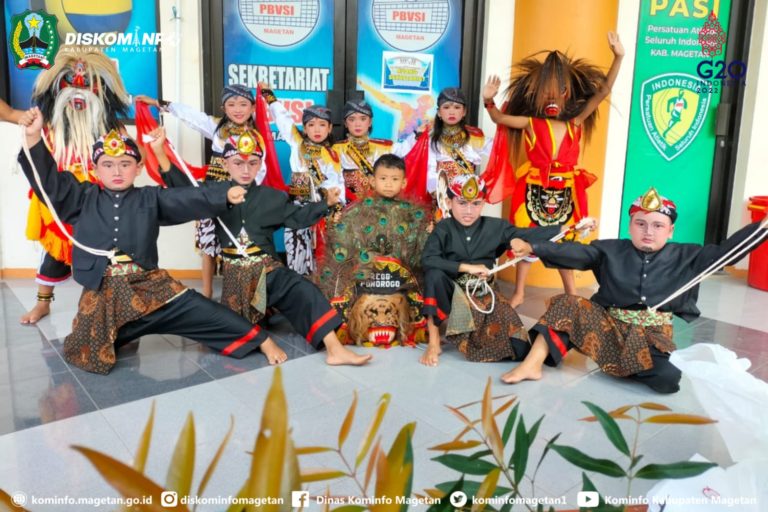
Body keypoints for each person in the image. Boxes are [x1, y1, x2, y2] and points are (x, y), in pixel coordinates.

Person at [16, 107, 286, 374]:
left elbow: (186, 197)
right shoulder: (82, 198)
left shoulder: (150, 197)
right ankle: (123, 333)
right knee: (86, 349)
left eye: (125, 164)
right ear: (96, 169)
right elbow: (48, 181)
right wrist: (33, 136)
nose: (117, 171)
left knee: (205, 310)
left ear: (138, 168)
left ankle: (262, 340)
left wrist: (223, 195)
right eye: (108, 165)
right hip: (101, 291)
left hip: (149, 288)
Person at [500, 187, 768, 393]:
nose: (648, 231)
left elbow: (728, 252)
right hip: (607, 327)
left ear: (670, 231)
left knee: (668, 381)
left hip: (652, 336)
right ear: (630, 226)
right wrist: (534, 247)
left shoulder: (689, 256)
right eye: (641, 223)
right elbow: (575, 252)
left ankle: (622, 363)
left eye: (658, 225)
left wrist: (763, 226)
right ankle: (531, 365)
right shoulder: (610, 250)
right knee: (568, 303)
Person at [157, 127, 372, 366]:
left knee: (302, 288)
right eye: (238, 163)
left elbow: (297, 217)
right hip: (235, 275)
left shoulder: (272, 197)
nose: (245, 170)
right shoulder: (214, 194)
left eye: (252, 163)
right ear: (226, 164)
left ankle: (335, 349)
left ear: (260, 164)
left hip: (268, 269)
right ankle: (262, 339)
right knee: (231, 324)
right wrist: (159, 152)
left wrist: (326, 203)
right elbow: (184, 191)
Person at [482, 31, 624, 307]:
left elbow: (604, 91)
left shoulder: (576, 122)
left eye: (557, 93)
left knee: (564, 241)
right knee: (525, 238)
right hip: (533, 190)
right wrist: (489, 100)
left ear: (566, 95)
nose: (551, 99)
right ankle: (519, 292)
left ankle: (571, 293)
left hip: (567, 192)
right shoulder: (530, 123)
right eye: (545, 94)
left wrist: (618, 57)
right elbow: (498, 117)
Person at [22, 50, 131, 324]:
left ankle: (104, 305)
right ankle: (42, 303)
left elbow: (128, 160)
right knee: (53, 253)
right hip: (61, 198)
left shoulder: (113, 130)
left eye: (86, 87)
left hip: (98, 199)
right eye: (70, 86)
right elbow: (35, 160)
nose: (78, 93)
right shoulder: (48, 127)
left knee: (106, 254)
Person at [419, 174, 566, 367]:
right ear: (449, 202)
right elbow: (428, 259)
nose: (469, 211)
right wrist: (467, 267)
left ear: (483, 204)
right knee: (433, 275)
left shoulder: (496, 227)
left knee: (518, 348)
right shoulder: (443, 229)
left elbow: (525, 233)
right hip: (453, 293)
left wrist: (564, 228)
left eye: (476, 204)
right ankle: (434, 342)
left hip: (484, 294)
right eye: (462, 203)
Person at [136, 85, 264, 299]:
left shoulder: (257, 138)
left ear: (252, 108)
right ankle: (206, 292)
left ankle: (241, 291)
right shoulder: (217, 128)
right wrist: (159, 103)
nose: (237, 109)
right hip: (212, 192)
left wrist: (248, 193)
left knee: (238, 240)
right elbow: (191, 116)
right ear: (224, 108)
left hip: (240, 194)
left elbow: (261, 170)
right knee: (208, 242)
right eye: (231, 104)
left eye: (243, 104)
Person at [315, 154, 431, 348]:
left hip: (400, 286)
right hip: (365, 282)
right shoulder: (356, 212)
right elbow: (342, 250)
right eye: (383, 178)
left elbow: (421, 254)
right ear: (372, 180)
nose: (388, 184)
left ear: (404, 182)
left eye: (394, 179)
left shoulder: (413, 214)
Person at [260, 83, 344, 275]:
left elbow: (337, 183)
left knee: (322, 253)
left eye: (322, 124)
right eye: (311, 124)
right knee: (296, 251)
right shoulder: (297, 143)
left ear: (330, 128)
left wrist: (338, 206)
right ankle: (297, 285)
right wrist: (269, 96)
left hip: (322, 208)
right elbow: (282, 118)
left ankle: (318, 286)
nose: (317, 129)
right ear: (304, 128)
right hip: (298, 208)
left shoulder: (332, 155)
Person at [404, 87, 493, 220]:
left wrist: (491, 105)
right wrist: (441, 195)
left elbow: (499, 149)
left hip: (468, 196)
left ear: (464, 112)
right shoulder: (430, 137)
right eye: (446, 107)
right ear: (439, 112)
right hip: (441, 197)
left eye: (457, 107)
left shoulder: (474, 137)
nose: (452, 111)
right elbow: (428, 170)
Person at [332, 99, 412, 200]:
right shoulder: (337, 150)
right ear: (345, 123)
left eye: (363, 119)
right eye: (352, 119)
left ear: (370, 122)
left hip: (379, 204)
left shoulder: (384, 147)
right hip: (348, 205)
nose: (357, 124)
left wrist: (418, 135)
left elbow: (409, 149)